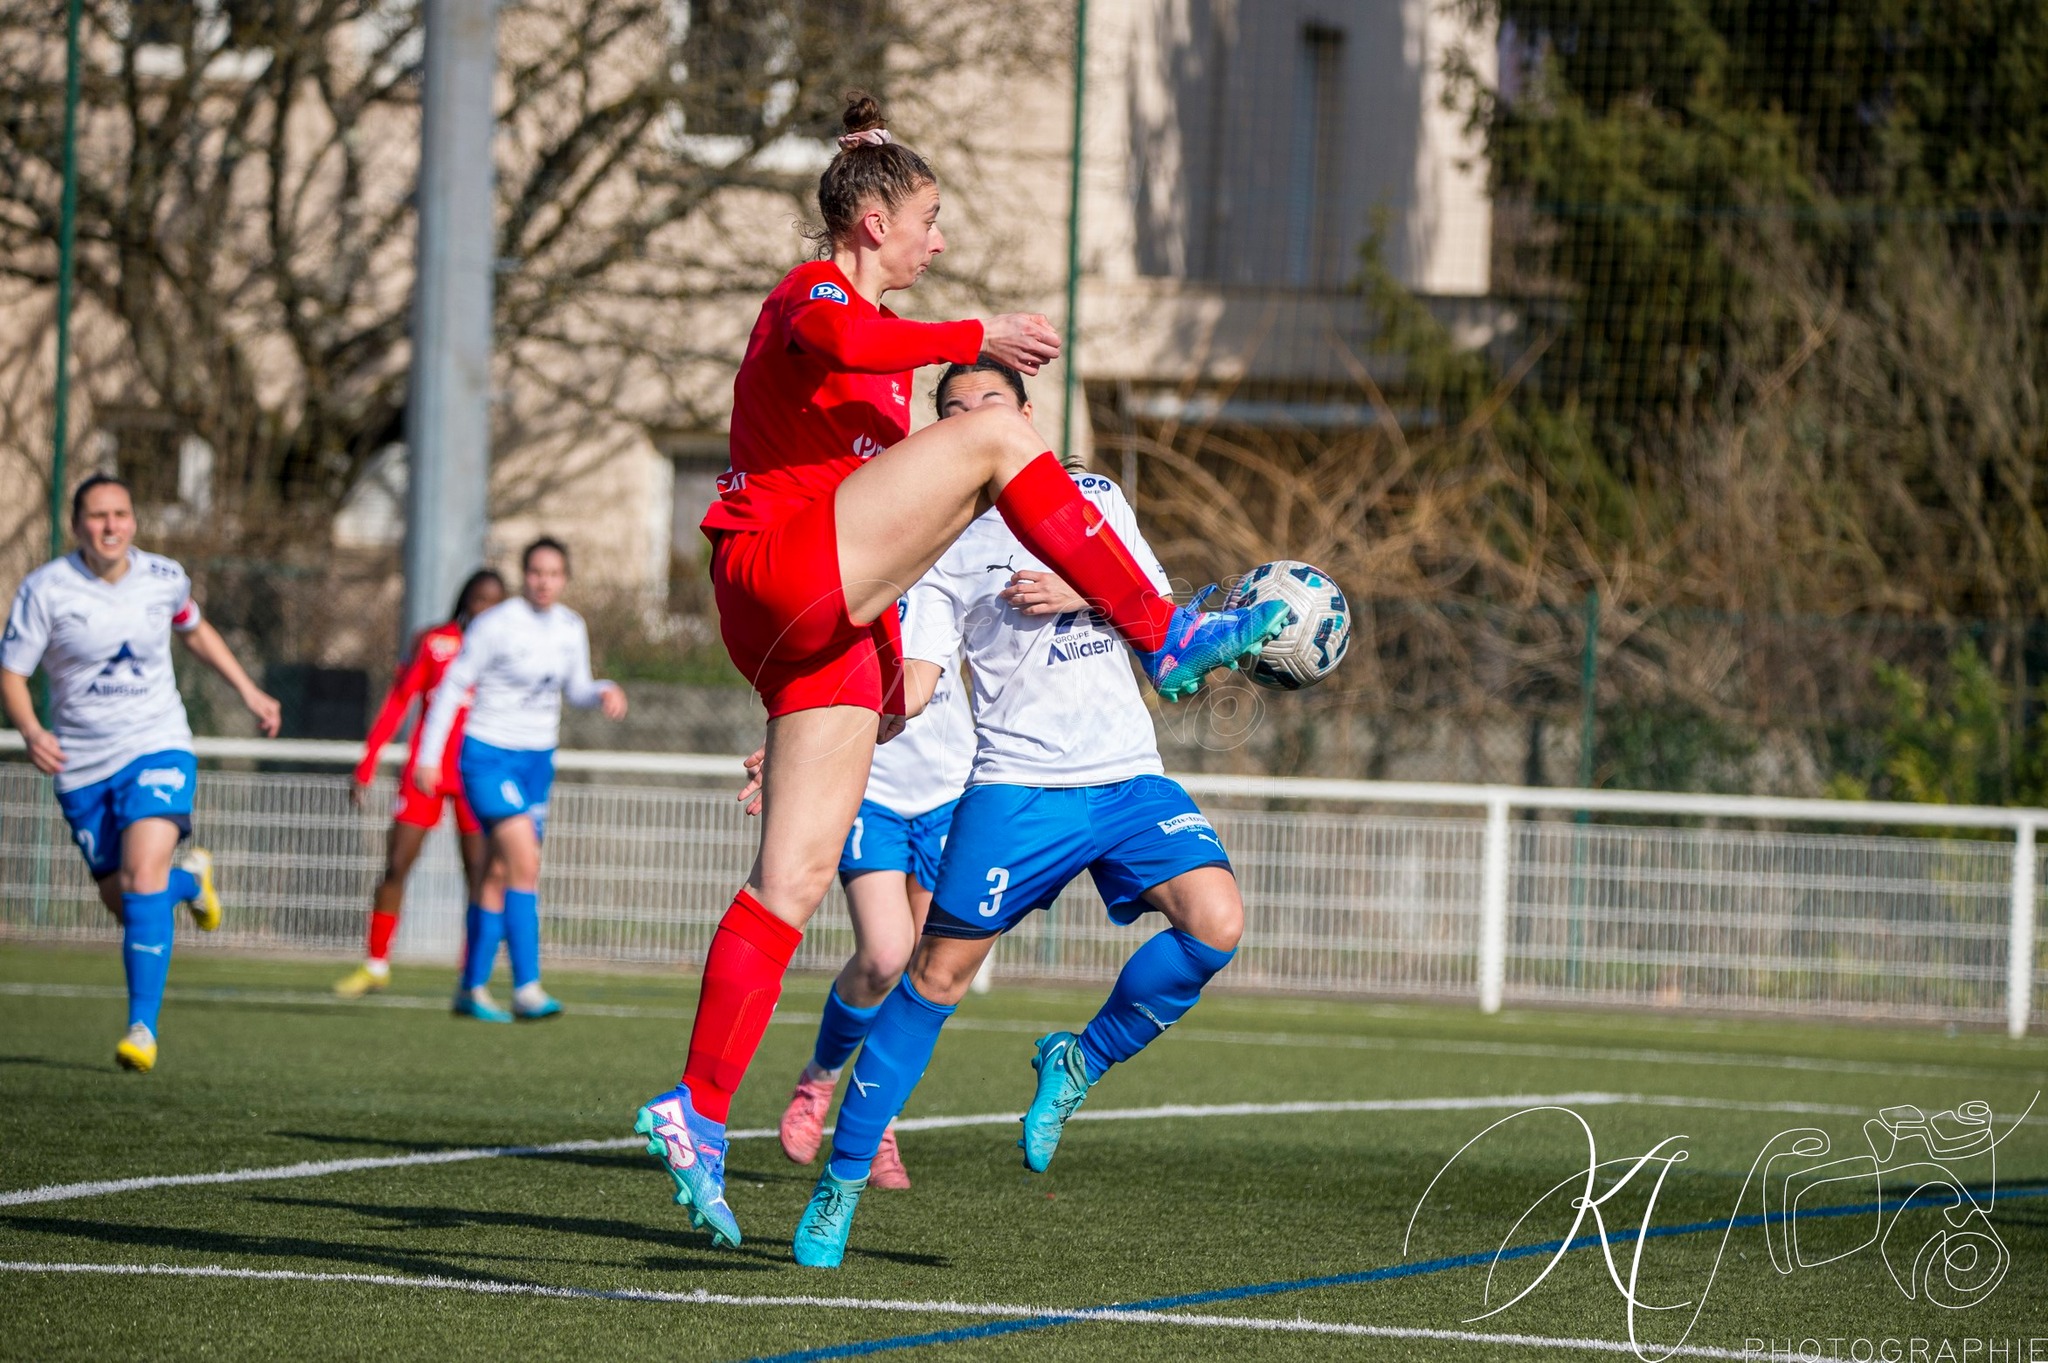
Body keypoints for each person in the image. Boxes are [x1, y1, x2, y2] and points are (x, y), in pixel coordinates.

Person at [633, 92, 1286, 1251]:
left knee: (787, 880)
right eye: (927, 219)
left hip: (823, 626)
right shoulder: (814, 292)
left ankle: (695, 1107)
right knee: (997, 438)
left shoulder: (887, 379)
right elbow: (845, 343)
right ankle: (1168, 634)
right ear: (873, 216)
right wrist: (970, 339)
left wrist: (876, 696)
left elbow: (908, 544)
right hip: (777, 563)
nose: (937, 243)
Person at [785, 360, 1246, 1267]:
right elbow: (913, 686)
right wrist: (813, 733)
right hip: (1017, 788)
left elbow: (1161, 625)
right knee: (933, 979)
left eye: (986, 406)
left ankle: (1078, 1061)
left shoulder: (1097, 497)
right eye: (951, 412)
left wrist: (1088, 588)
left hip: (1127, 778)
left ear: (1024, 415)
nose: (969, 422)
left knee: (1217, 923)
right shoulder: (936, 539)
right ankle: (840, 1182)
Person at [0, 473, 282, 1072]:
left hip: (157, 744)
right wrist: (31, 730)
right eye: (98, 516)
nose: (111, 527)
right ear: (77, 525)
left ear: (134, 521)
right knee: (125, 898)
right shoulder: (45, 590)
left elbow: (194, 628)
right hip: (80, 762)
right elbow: (13, 674)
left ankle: (142, 1029)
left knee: (140, 871)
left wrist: (250, 691)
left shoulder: (164, 577)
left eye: (121, 515)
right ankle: (192, 883)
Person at [774, 595, 975, 1191]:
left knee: (921, 970)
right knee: (885, 954)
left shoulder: (949, 567)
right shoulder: (851, 571)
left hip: (949, 791)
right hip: (872, 791)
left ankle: (876, 1119)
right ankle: (820, 1077)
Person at [413, 538, 626, 1023]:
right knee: (525, 862)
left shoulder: (572, 627)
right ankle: (527, 986)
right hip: (488, 756)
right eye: (535, 572)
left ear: (565, 578)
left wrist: (604, 691)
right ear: (524, 575)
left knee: (499, 872)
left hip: (536, 762)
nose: (544, 581)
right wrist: (428, 757)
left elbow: (577, 687)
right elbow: (452, 686)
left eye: (553, 573)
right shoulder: (495, 624)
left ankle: (471, 987)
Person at [334, 569, 508, 999]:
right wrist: (368, 761)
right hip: (425, 772)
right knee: (396, 864)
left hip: (476, 773)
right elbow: (399, 701)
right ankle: (376, 964)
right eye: (480, 599)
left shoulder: (507, 652)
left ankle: (472, 976)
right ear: (467, 601)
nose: (487, 608)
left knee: (479, 874)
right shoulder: (435, 642)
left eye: (496, 601)